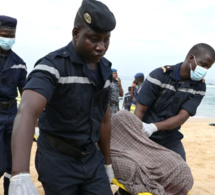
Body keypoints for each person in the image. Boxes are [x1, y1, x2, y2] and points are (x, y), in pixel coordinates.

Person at [9, 1, 116, 194]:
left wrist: (108, 163)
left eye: (106, 39)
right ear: (76, 33)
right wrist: (20, 173)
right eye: (93, 39)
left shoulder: (105, 71)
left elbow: (104, 119)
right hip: (57, 159)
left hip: (91, 158)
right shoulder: (52, 66)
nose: (101, 47)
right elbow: (27, 111)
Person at [135, 43, 215, 161]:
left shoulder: (199, 87)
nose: (204, 70)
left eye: (207, 68)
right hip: (143, 130)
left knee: (181, 169)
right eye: (203, 65)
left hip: (169, 136)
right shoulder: (159, 75)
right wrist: (135, 134)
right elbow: (140, 110)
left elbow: (182, 116)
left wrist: (154, 127)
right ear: (191, 58)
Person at [111, 110, 193, 195]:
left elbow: (184, 114)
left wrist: (149, 128)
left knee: (179, 163)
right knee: (132, 167)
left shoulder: (124, 116)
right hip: (123, 148)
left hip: (147, 140)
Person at [0, 15, 27, 195]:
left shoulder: (19, 64)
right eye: (4, 34)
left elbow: (26, 94)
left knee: (12, 162)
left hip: (12, 115)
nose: (8, 38)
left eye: (11, 35)